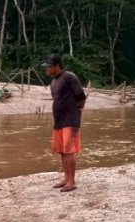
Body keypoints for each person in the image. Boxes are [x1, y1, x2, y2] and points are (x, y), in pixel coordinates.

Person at [42, 54, 87, 192]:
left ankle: (72, 182)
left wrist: (79, 109)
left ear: (57, 66)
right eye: (46, 67)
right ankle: (66, 178)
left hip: (70, 119)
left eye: (49, 66)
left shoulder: (69, 77)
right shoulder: (53, 82)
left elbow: (80, 96)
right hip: (59, 121)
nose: (47, 69)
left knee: (69, 151)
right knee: (61, 151)